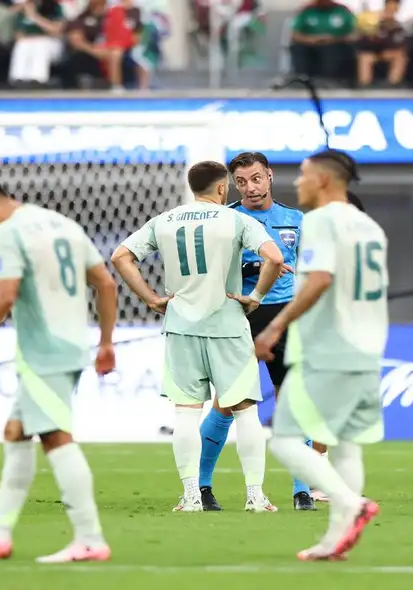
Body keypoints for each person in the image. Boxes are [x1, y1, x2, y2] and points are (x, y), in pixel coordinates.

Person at [0, 181, 116, 563]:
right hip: (73, 345)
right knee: (16, 432)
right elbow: (104, 283)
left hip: (44, 353)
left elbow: (4, 295)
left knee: (57, 437)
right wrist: (106, 341)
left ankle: (90, 538)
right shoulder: (64, 224)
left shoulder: (7, 233)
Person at [111, 161, 283, 513]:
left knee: (186, 413)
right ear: (223, 189)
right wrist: (256, 297)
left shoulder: (165, 220)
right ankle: (255, 497)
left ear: (192, 187)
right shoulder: (236, 219)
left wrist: (150, 297)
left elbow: (121, 256)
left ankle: (191, 497)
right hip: (228, 327)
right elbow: (274, 257)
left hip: (181, 326)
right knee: (246, 413)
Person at [256, 149, 387, 561]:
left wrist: (275, 326)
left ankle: (348, 503)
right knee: (347, 444)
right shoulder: (369, 226)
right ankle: (336, 539)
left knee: (285, 439)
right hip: (367, 347)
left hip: (328, 348)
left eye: (304, 175)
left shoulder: (319, 222)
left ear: (325, 181)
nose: (298, 182)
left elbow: (319, 280)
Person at [193, 151, 316, 512]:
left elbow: (310, 268)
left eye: (257, 178)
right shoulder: (227, 218)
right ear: (233, 184)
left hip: (284, 317)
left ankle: (302, 490)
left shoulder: (295, 220)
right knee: (227, 402)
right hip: (239, 314)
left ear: (270, 176)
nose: (251, 187)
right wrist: (255, 266)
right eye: (242, 181)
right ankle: (201, 487)